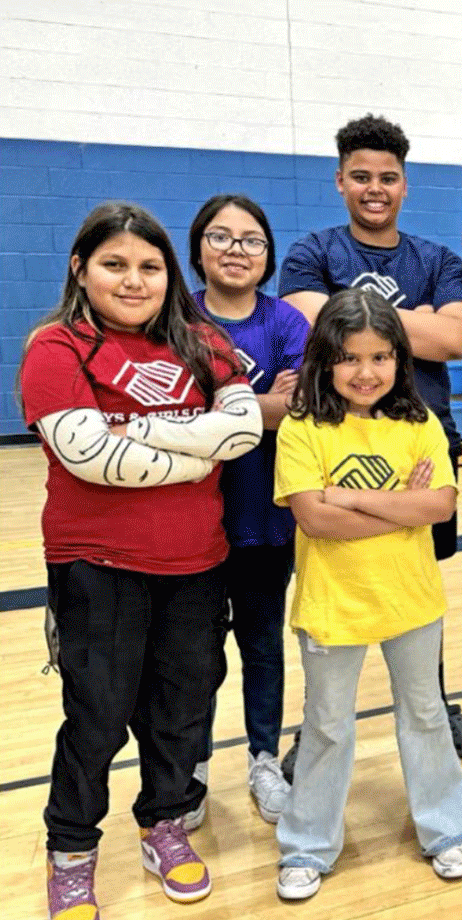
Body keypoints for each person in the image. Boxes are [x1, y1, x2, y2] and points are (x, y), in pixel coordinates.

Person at [22, 202, 263, 919]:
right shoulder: (55, 347)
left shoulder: (203, 340)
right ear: (81, 269)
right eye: (115, 265)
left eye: (149, 267)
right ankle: (72, 853)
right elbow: (89, 456)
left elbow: (244, 430)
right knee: (96, 717)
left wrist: (141, 432)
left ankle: (165, 823)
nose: (134, 281)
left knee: (182, 710)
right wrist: (196, 450)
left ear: (170, 274)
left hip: (196, 563)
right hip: (97, 565)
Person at [278, 113, 462, 760]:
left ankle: (433, 707)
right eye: (361, 176)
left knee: (417, 577)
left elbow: (455, 339)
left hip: (423, 440)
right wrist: (412, 321)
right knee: (333, 579)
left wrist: (351, 313)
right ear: (340, 181)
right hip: (331, 440)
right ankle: (317, 727)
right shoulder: (311, 252)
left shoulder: (438, 259)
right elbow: (314, 331)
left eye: (388, 178)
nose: (375, 188)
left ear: (405, 184)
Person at [273, 288, 462, 900]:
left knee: (426, 715)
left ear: (399, 360)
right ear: (325, 361)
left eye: (380, 357)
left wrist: (351, 496)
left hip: (411, 601)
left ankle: (446, 827)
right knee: (327, 726)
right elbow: (315, 519)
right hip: (332, 606)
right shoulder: (302, 428)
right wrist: (399, 508)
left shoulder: (419, 423)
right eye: (350, 358)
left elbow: (439, 506)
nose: (366, 372)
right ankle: (307, 844)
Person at [187, 194, 311, 822]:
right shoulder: (175, 319)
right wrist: (258, 406)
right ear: (197, 247)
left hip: (265, 517)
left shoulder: (285, 321)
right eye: (221, 236)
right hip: (191, 523)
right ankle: (190, 764)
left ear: (267, 253)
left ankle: (264, 758)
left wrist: (213, 407)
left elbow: (302, 404)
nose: (236, 250)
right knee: (195, 654)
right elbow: (169, 411)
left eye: (251, 239)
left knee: (262, 646)